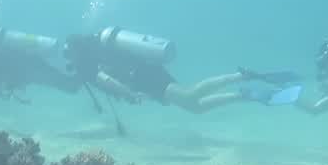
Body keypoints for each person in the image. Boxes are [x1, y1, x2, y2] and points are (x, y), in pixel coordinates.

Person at [62, 27, 301, 114]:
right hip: (144, 73)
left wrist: (130, 95)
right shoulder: (96, 49)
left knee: (189, 95)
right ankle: (242, 93)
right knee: (194, 107)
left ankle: (240, 77)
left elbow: (107, 80)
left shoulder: (88, 63)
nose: (68, 58)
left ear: (75, 50)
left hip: (144, 77)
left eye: (68, 53)